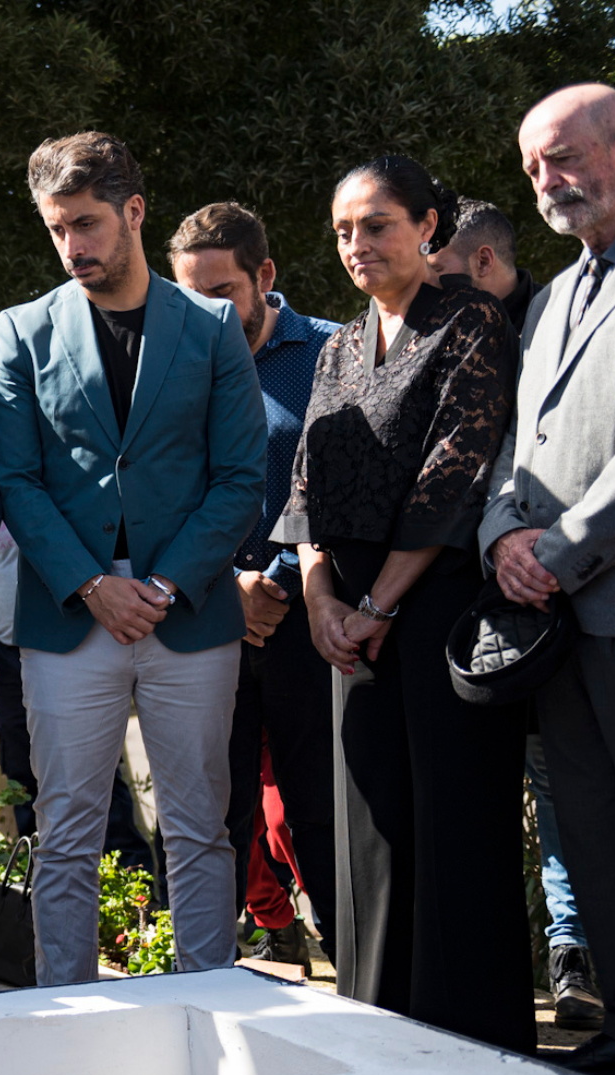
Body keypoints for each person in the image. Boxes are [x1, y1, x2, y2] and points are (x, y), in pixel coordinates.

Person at [0, 133, 267, 987]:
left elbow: (240, 478)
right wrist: (92, 583)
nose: (72, 244)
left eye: (87, 223)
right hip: (70, 618)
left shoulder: (214, 327)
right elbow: (16, 480)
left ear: (133, 213)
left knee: (198, 828)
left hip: (191, 616)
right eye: (56, 227)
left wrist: (165, 583)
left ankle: (210, 1007)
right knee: (66, 827)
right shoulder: (22, 330)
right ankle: (71, 1015)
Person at [274, 154, 530, 1053]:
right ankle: (379, 1038)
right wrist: (317, 603)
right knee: (368, 833)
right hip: (344, 621)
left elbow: (454, 474)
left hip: (435, 610)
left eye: (376, 224)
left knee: (453, 830)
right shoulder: (339, 344)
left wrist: (378, 606)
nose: (356, 244)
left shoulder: (473, 323)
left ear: (429, 228)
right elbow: (305, 482)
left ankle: (473, 1047)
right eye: (343, 229)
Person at [481, 83, 615, 1075]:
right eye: (533, 166)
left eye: (563, 157)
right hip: (556, 628)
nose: (547, 181)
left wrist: (562, 549)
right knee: (592, 842)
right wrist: (503, 532)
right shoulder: (546, 298)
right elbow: (516, 442)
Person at [433, 195, 600, 1029]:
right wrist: (505, 543)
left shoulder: (553, 322)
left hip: (597, 597)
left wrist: (551, 553)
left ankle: (581, 954)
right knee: (543, 776)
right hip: (502, 609)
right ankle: (569, 954)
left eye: (447, 280)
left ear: (488, 269)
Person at [166, 201, 340, 968]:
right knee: (214, 814)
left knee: (321, 812)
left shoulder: (335, 353)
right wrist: (226, 585)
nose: (206, 312)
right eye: (189, 295)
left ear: (264, 276)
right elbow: (164, 491)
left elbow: (344, 483)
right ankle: (208, 984)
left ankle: (363, 984)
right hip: (209, 618)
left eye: (222, 292)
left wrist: (267, 581)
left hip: (311, 617)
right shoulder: (169, 367)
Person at [0, 533, 156, 872]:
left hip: (76, 647)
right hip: (9, 654)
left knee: (97, 769)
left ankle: (130, 882)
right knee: (22, 768)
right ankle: (38, 878)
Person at [427, 198, 546, 329]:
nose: (425, 280)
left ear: (483, 262)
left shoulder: (557, 319)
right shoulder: (431, 324)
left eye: (436, 269)